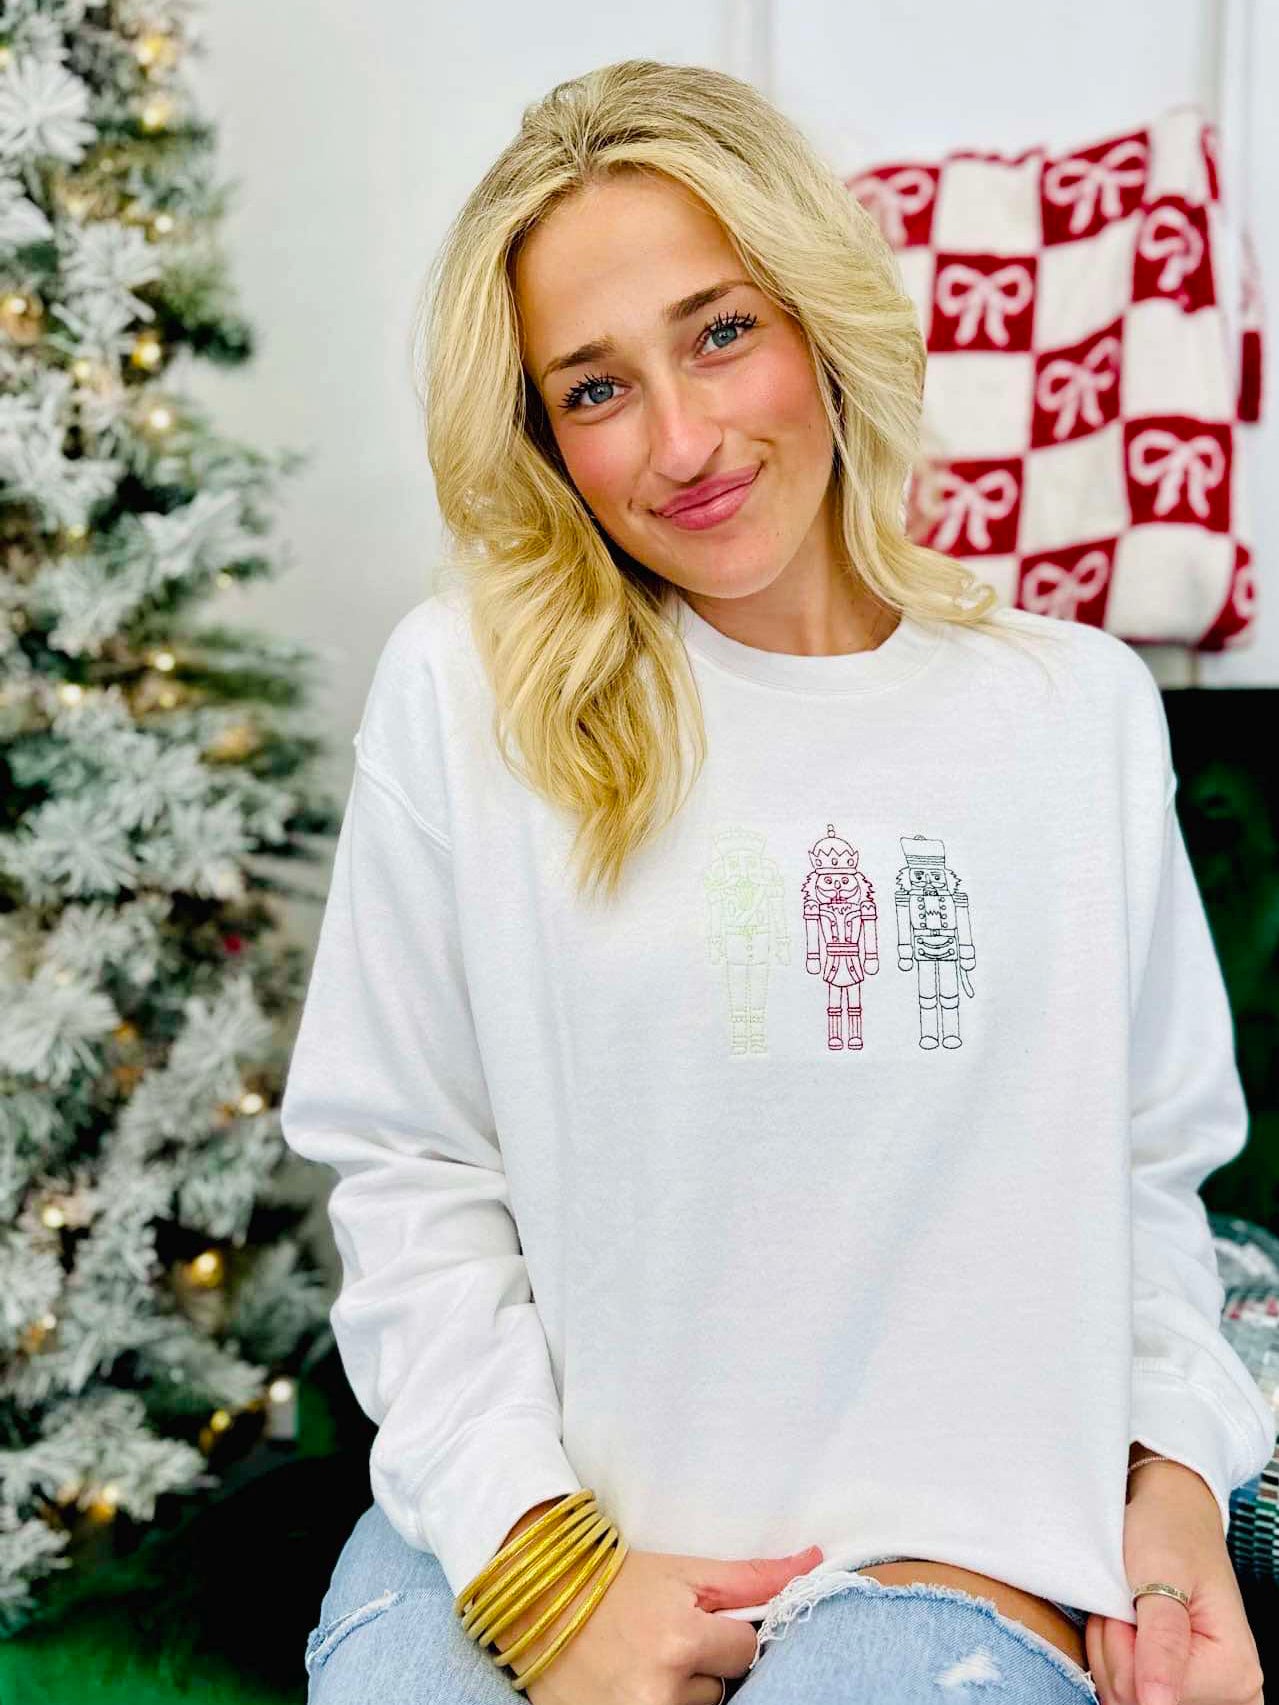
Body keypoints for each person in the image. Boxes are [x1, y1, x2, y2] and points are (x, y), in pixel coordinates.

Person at [281, 58, 1274, 1705]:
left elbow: (1149, 1172)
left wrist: (1173, 1484)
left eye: (721, 331)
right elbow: (403, 1164)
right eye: (592, 390)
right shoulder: (468, 693)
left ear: (819, 319)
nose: (681, 439)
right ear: (542, 439)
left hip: (939, 1556)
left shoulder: (1071, 709)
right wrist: (539, 1566)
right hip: (529, 1525)